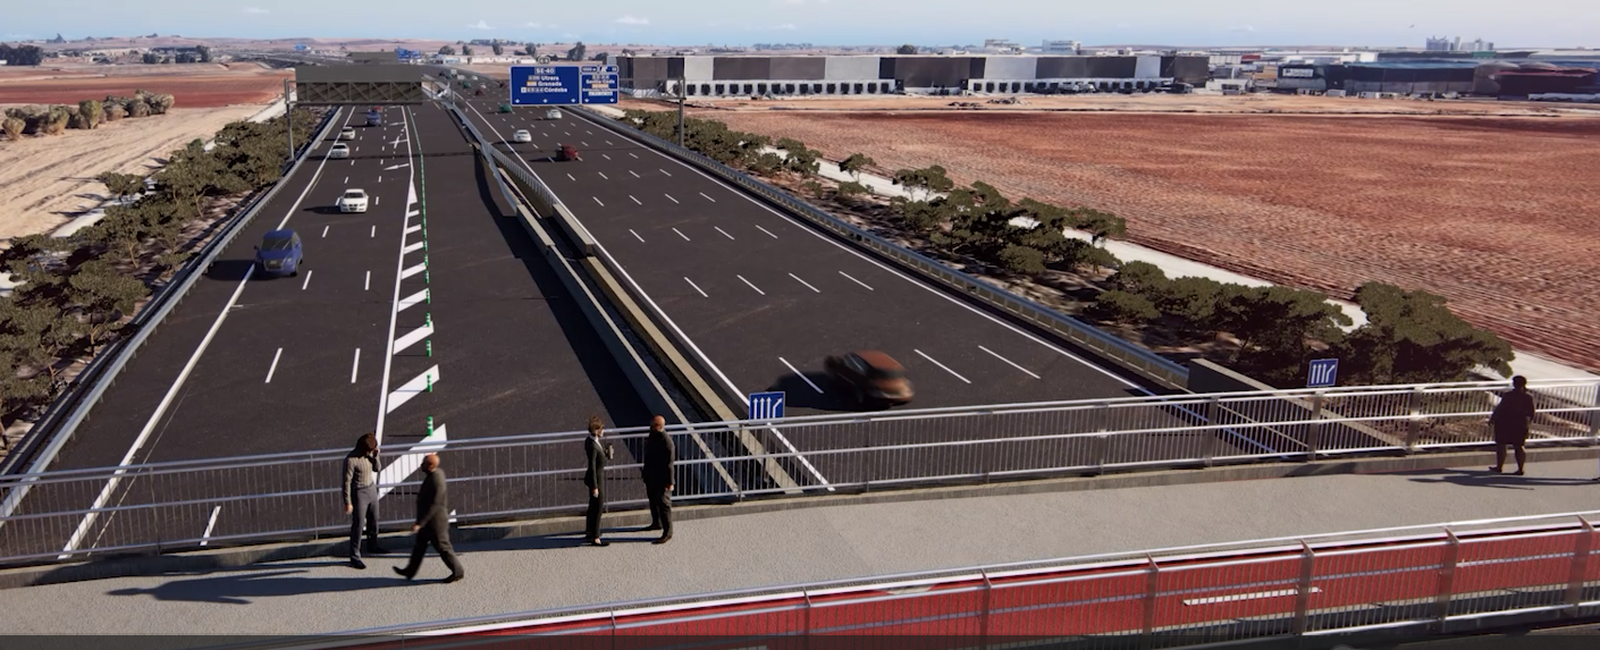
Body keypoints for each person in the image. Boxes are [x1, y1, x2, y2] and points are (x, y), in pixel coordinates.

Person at [394, 453, 463, 583]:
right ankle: (410, 570)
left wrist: (420, 523)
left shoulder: (436, 480)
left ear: (430, 465)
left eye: (424, 463)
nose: (421, 465)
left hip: (435, 522)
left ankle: (457, 570)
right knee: (419, 545)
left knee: (443, 547)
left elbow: (434, 505)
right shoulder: (436, 474)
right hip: (430, 522)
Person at [342, 433, 387, 569]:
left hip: (371, 488)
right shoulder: (351, 460)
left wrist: (376, 456)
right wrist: (347, 501)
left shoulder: (369, 455)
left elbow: (377, 468)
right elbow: (346, 482)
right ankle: (354, 555)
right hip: (359, 492)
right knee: (359, 524)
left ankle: (373, 545)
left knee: (374, 518)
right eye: (370, 449)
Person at [1488, 375, 1536, 476]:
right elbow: (1531, 413)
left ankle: (1499, 467)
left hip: (1505, 422)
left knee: (1502, 445)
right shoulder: (1528, 397)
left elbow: (1500, 408)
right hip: (1520, 424)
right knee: (1518, 446)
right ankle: (1520, 469)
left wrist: (1493, 418)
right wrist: (1528, 423)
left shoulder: (1509, 395)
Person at [642, 415, 675, 544]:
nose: (651, 426)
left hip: (661, 478)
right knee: (653, 500)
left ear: (659, 426)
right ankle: (656, 522)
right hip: (651, 475)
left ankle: (668, 532)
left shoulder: (666, 442)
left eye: (653, 425)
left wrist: (669, 482)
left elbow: (669, 464)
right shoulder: (653, 436)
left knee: (664, 504)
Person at [583, 415, 614, 547]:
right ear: (596, 431)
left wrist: (606, 454)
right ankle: (596, 537)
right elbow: (592, 466)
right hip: (597, 480)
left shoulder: (590, 441)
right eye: (601, 429)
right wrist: (595, 486)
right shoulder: (593, 446)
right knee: (598, 508)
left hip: (593, 480)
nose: (603, 431)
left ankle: (590, 531)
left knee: (592, 506)